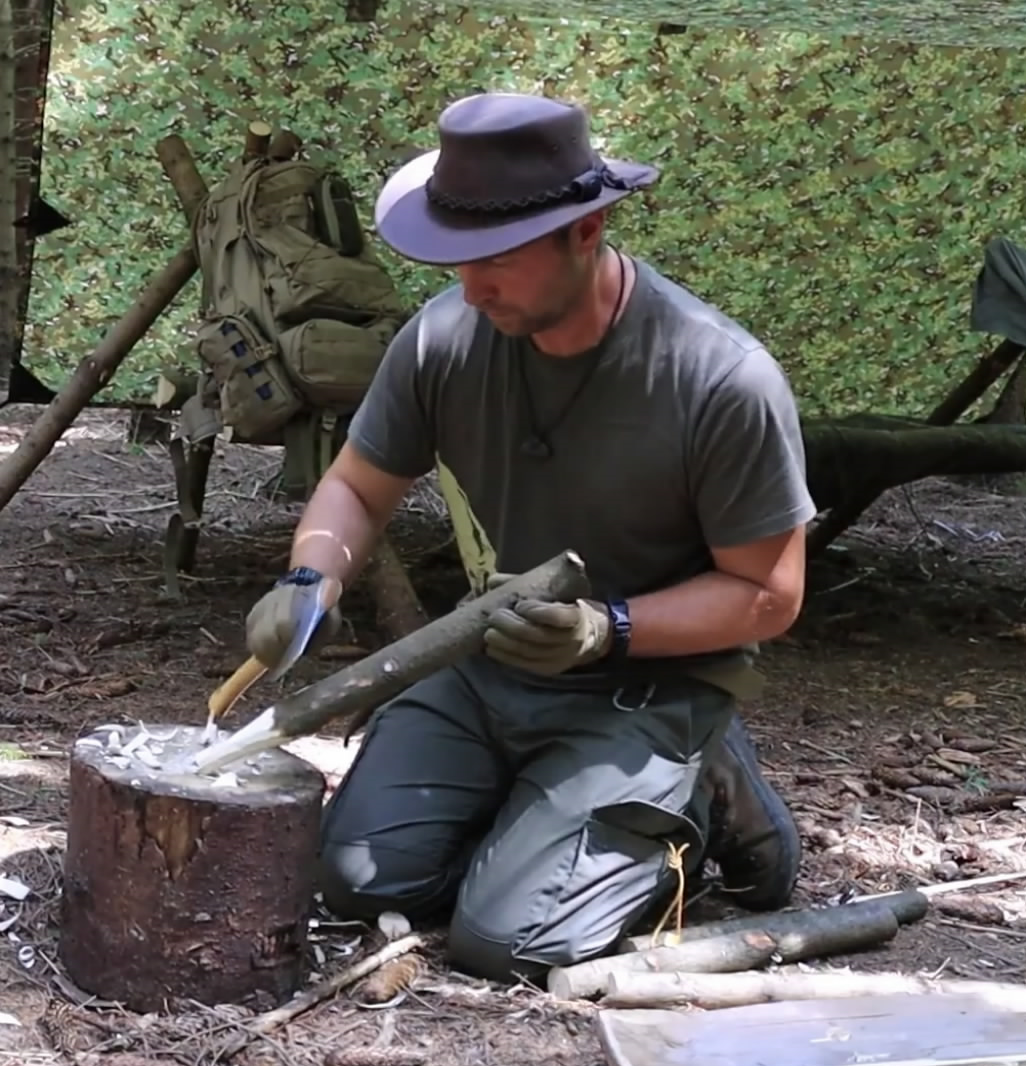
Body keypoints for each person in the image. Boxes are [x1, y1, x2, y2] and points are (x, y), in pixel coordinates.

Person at [242, 92, 817, 984]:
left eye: (496, 259)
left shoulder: (718, 378)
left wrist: (606, 629)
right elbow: (356, 483)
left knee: (511, 944)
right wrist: (309, 579)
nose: (470, 287)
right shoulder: (446, 336)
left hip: (647, 683)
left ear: (586, 232)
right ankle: (546, 819)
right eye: (454, 258)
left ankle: (703, 780)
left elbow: (769, 595)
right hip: (491, 664)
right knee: (353, 882)